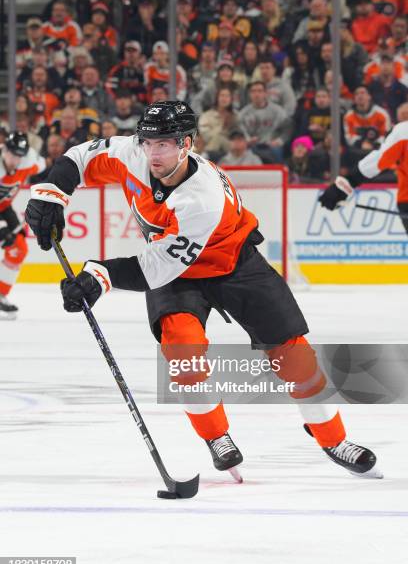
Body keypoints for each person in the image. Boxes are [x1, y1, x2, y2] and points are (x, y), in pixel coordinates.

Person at [25, 101, 381, 479]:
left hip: (233, 264)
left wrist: (98, 275)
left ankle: (332, 438)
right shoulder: (133, 153)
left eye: (165, 144)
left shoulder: (201, 197)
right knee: (182, 352)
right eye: (148, 142)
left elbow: (155, 267)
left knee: (295, 357)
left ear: (187, 144)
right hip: (177, 272)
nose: (153, 153)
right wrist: (50, 194)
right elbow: (80, 157)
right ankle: (216, 436)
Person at [319, 120, 408, 232]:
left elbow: (379, 160)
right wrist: (349, 182)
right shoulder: (404, 132)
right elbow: (380, 159)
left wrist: (350, 181)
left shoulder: (404, 131)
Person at [0, 133, 46, 318]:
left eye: (19, 155)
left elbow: (48, 165)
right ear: (4, 149)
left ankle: (1, 295)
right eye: (12, 154)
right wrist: (2, 228)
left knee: (19, 248)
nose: (15, 160)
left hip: (4, 206)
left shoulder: (30, 161)